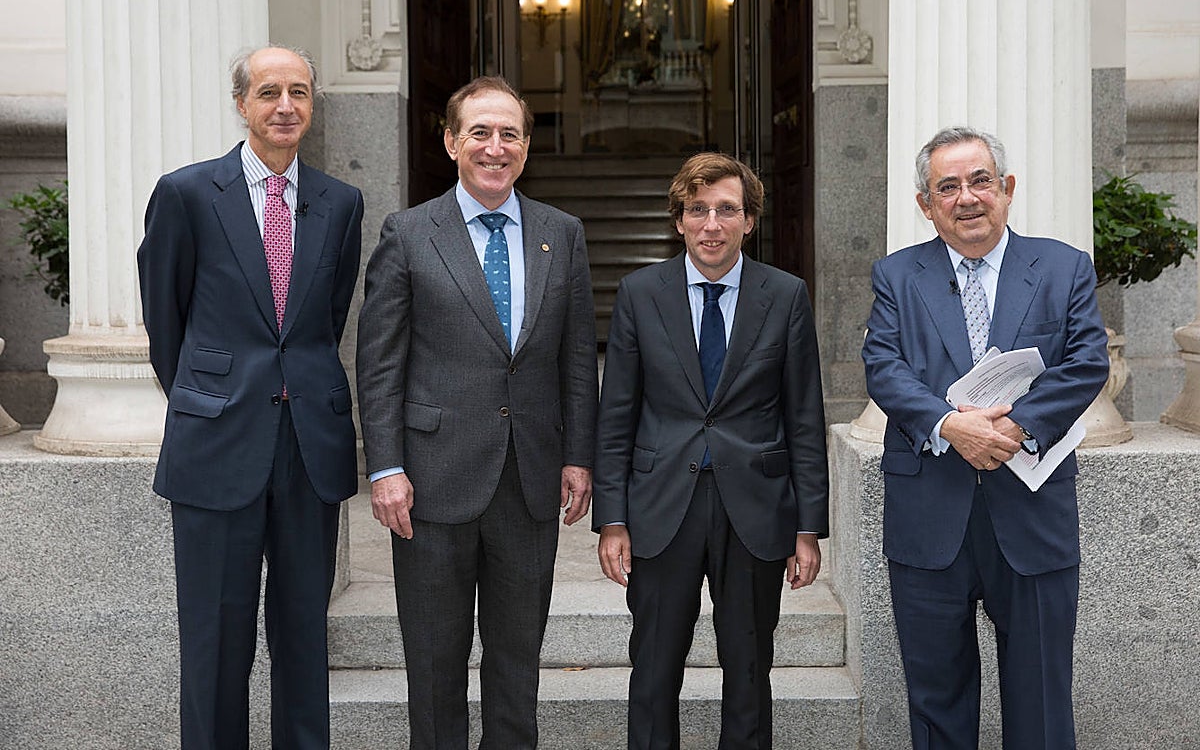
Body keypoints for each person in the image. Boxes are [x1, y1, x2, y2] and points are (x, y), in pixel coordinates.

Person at [355, 75, 598, 750]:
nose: (495, 147)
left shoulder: (562, 234)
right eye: (480, 133)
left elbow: (578, 359)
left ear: (526, 146)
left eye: (509, 134)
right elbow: (379, 364)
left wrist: (579, 456)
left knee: (518, 661)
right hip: (429, 484)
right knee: (435, 661)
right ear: (451, 142)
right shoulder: (409, 233)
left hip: (530, 480)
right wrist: (385, 468)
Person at [137, 45, 364, 749]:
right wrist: (213, 396)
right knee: (214, 640)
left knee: (303, 638)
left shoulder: (341, 202)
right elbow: (165, 321)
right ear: (242, 104)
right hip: (216, 443)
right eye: (269, 92)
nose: (285, 106)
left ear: (312, 104)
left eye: (299, 92)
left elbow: (324, 321)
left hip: (309, 448)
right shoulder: (185, 194)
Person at [862, 126, 1109, 750]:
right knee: (936, 702)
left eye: (980, 181)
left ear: (1007, 188)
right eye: (948, 187)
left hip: (1031, 514)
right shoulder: (896, 275)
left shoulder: (1064, 267)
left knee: (1041, 700)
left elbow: (1086, 362)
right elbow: (884, 367)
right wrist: (950, 426)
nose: (967, 198)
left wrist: (1014, 427)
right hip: (929, 515)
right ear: (926, 204)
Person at [592, 152, 830, 749]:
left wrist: (808, 528)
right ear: (679, 220)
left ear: (749, 220)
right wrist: (612, 519)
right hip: (660, 506)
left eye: (727, 209)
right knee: (653, 669)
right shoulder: (640, 293)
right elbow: (616, 414)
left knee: (748, 670)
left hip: (755, 508)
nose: (712, 224)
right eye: (697, 210)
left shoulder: (786, 295)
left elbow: (804, 418)